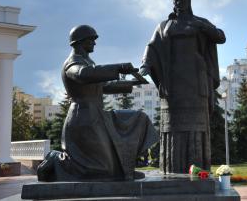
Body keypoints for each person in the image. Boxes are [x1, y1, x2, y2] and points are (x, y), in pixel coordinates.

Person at [37, 25, 158, 181]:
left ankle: (122, 171)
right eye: (91, 40)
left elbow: (103, 87)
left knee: (139, 118)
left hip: (97, 115)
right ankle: (55, 160)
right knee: (100, 169)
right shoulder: (72, 63)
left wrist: (131, 84)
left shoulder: (88, 61)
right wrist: (118, 68)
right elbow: (82, 75)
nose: (94, 43)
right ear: (80, 41)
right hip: (83, 118)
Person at [140, 0, 226, 174]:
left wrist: (203, 26)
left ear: (189, 0)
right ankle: (173, 168)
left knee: (196, 127)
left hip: (196, 82)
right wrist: (145, 65)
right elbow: (152, 46)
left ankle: (199, 170)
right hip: (173, 83)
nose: (179, 1)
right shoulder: (165, 26)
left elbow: (220, 37)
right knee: (174, 125)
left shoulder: (199, 23)